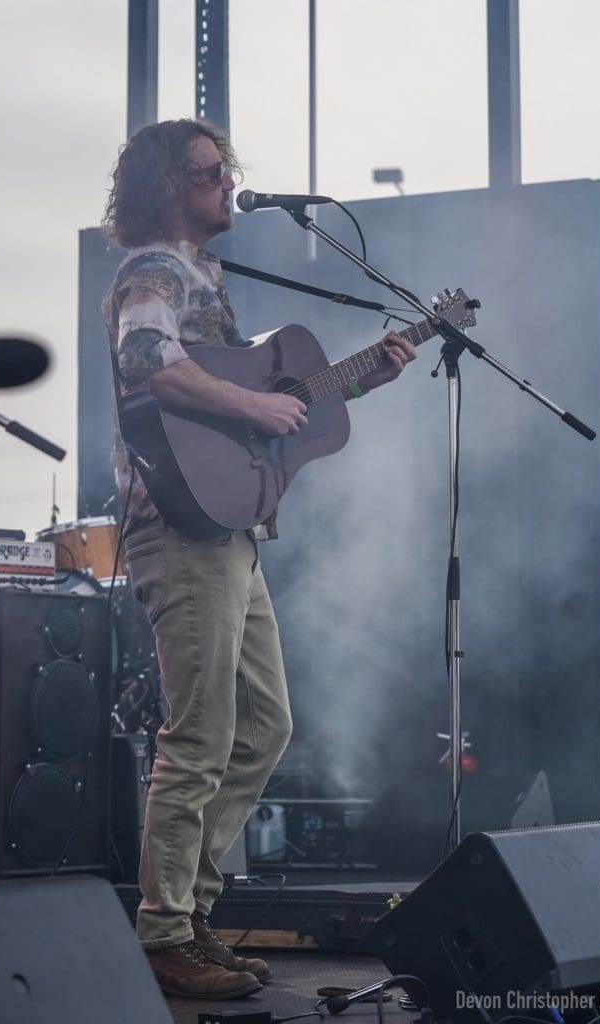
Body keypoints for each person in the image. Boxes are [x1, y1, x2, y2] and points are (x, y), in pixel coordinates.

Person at [102, 117, 416, 1000]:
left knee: (264, 725)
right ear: (170, 188)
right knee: (197, 733)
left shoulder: (207, 275)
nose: (224, 182)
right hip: (181, 530)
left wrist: (363, 376)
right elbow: (147, 362)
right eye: (207, 173)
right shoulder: (155, 269)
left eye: (224, 168)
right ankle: (164, 932)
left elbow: (269, 406)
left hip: (230, 530)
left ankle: (188, 912)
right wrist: (254, 406)